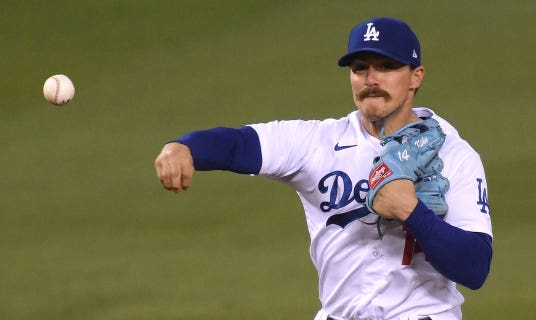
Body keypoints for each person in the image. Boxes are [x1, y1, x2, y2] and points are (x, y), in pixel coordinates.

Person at [155, 17, 493, 320]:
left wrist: (411, 210)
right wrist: (184, 147)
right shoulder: (317, 142)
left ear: (415, 77)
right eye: (360, 68)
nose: (371, 79)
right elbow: (240, 144)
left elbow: (475, 268)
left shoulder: (453, 155)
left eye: (386, 66)